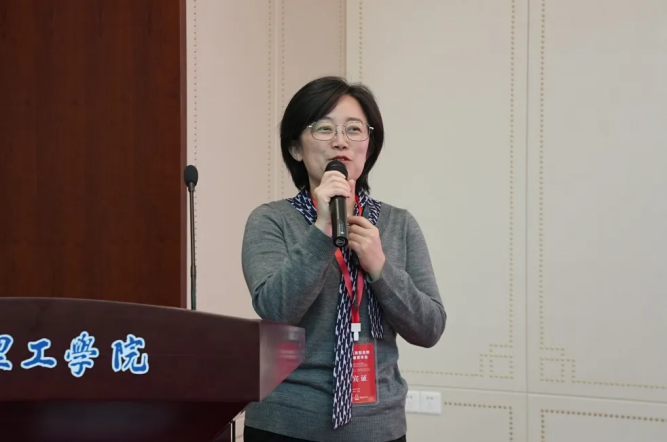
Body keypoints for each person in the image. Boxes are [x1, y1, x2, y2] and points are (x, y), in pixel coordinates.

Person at [241, 76, 446, 442]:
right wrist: (322, 230)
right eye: (324, 128)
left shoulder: (398, 224)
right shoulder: (271, 220)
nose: (341, 141)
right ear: (296, 148)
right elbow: (276, 311)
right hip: (284, 422)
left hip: (377, 425)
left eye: (354, 129)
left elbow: (429, 329)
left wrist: (381, 268)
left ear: (369, 146)